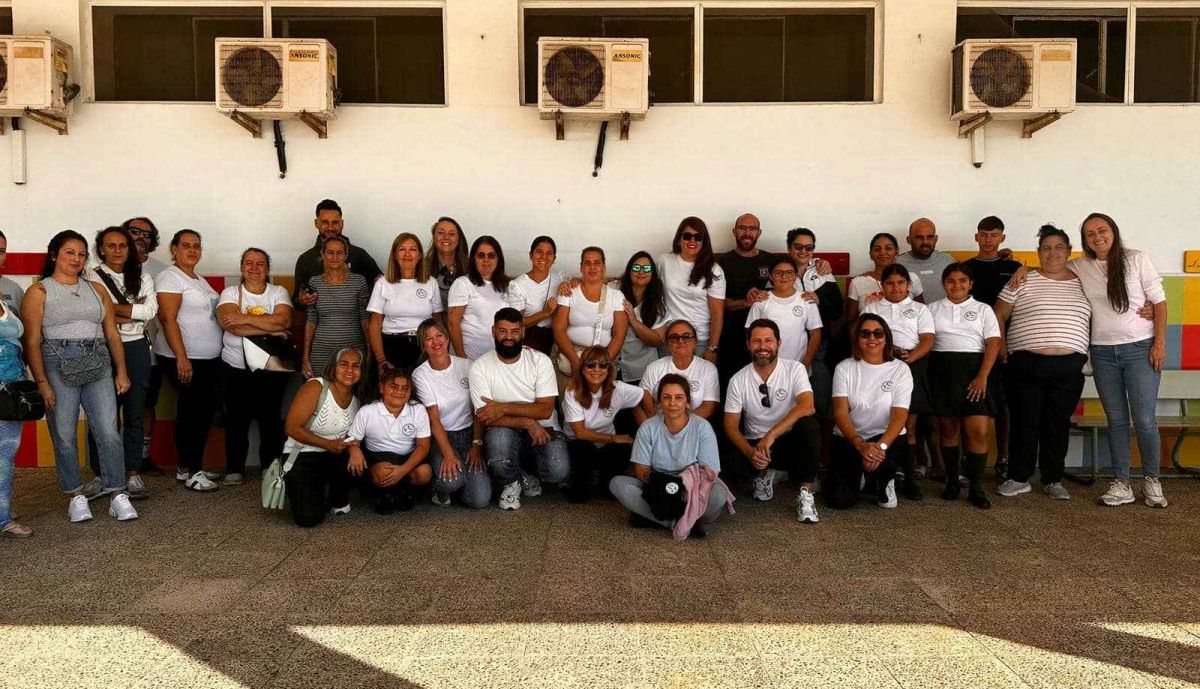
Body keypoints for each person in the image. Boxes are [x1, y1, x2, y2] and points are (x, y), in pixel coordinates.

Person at [21, 230, 137, 523]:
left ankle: (117, 493)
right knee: (64, 432)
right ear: (54, 255)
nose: (76, 259)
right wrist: (42, 382)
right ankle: (75, 494)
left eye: (82, 254)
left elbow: (112, 334)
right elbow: (32, 342)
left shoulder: (96, 289)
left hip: (98, 360)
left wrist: (122, 371)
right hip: (57, 363)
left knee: (108, 430)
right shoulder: (39, 291)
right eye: (69, 252)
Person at [1076, 213, 1168, 508]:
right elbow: (1051, 267)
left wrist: (1159, 344)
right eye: (1090, 234)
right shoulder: (1080, 266)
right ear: (1085, 240)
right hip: (1102, 352)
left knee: (1144, 419)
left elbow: (1160, 303)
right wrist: (1017, 265)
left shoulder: (1136, 259)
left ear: (1113, 231)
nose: (1097, 237)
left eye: (1102, 230)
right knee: (1116, 420)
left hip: (1140, 349)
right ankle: (1121, 484)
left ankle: (1152, 481)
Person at [993, 226, 1090, 501]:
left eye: (1059, 247)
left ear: (1069, 252)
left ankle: (1052, 479)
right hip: (1025, 364)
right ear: (1038, 252)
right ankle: (1019, 477)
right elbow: (998, 314)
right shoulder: (1023, 279)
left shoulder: (1084, 282)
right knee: (1025, 421)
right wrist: (1002, 349)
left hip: (1069, 367)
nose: (1052, 253)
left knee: (1057, 424)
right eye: (1046, 248)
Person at [468, 308, 568, 510]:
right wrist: (527, 421)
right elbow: (485, 416)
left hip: (544, 428)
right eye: (502, 331)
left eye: (514, 331)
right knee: (499, 450)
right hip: (504, 429)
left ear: (523, 332)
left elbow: (545, 410)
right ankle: (511, 481)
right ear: (493, 331)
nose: (509, 337)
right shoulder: (480, 367)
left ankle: (524, 472)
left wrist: (502, 407)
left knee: (557, 471)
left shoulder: (540, 361)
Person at [609, 374, 731, 537]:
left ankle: (654, 517)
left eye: (679, 397)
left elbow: (709, 472)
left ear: (688, 402)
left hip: (690, 489)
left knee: (718, 495)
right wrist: (662, 486)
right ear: (659, 402)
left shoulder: (702, 427)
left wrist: (681, 488)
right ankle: (679, 524)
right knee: (618, 484)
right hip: (658, 485)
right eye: (666, 397)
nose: (672, 403)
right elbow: (640, 470)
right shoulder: (648, 427)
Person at [723, 319, 821, 521]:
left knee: (809, 425)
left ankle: (806, 491)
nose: (763, 346)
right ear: (748, 344)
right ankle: (767, 473)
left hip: (788, 441)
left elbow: (807, 406)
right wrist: (750, 452)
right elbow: (730, 425)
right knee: (733, 465)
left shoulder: (795, 368)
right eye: (756, 341)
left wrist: (771, 435)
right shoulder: (738, 379)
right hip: (757, 445)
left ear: (778, 343)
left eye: (768, 340)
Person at [86, 226, 156, 501]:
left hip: (136, 348)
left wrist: (111, 310)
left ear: (130, 248)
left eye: (122, 245)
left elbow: (149, 311)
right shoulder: (90, 275)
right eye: (111, 245)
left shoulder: (143, 276)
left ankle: (132, 473)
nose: (117, 250)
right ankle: (101, 473)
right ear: (101, 249)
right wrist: (130, 312)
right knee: (102, 416)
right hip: (101, 347)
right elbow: (93, 312)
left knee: (135, 413)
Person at [216, 248, 293, 485]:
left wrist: (244, 317)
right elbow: (230, 325)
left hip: (271, 367)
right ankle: (234, 468)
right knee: (236, 419)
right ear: (241, 267)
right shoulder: (230, 292)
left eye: (260, 264)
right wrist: (271, 329)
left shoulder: (278, 291)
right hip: (235, 367)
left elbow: (284, 320)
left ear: (267, 268)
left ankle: (269, 467)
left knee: (270, 418)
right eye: (249, 263)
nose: (254, 268)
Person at [928, 263, 1002, 510]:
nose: (956, 285)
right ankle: (952, 481)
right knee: (948, 430)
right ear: (943, 284)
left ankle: (977, 488)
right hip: (943, 372)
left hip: (975, 372)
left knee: (977, 431)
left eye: (962, 280)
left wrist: (982, 376)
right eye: (951, 280)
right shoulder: (931, 309)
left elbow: (993, 343)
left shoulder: (983, 309)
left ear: (970, 284)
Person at [155, 229, 223, 492]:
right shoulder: (170, 277)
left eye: (196, 246)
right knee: (195, 413)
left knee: (195, 412)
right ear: (174, 249)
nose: (192, 250)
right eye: (186, 245)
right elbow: (167, 318)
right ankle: (194, 471)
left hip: (205, 359)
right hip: (184, 358)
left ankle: (188, 467)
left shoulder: (197, 279)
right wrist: (181, 357)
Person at [826, 315, 913, 510]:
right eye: (865, 334)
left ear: (886, 338)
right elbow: (840, 413)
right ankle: (864, 477)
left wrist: (879, 449)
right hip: (851, 438)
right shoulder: (844, 368)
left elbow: (899, 416)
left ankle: (884, 479)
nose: (872, 338)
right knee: (839, 501)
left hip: (886, 439)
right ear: (857, 339)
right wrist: (860, 445)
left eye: (878, 333)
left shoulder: (901, 369)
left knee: (885, 499)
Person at [862, 263, 932, 498]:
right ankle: (880, 476)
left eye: (901, 283)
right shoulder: (872, 308)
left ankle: (909, 479)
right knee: (879, 421)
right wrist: (887, 353)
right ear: (882, 285)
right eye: (890, 283)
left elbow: (928, 340)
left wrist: (910, 357)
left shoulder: (920, 309)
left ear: (908, 285)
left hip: (911, 365)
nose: (896, 288)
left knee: (908, 426)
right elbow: (863, 337)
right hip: (878, 366)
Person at [412, 318, 490, 509]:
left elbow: (478, 409)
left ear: (447, 338)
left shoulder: (467, 365)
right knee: (452, 481)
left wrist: (476, 444)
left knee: (480, 500)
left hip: (469, 434)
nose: (435, 341)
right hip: (441, 438)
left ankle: (461, 479)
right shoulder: (420, 374)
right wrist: (448, 454)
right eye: (428, 338)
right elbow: (434, 419)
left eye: (439, 335)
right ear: (423, 345)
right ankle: (440, 486)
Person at [282, 347, 363, 527]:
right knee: (308, 519)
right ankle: (313, 491)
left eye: (356, 366)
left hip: (333, 456)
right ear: (333, 367)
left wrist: (354, 449)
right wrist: (327, 444)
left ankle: (335, 495)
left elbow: (353, 436)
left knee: (361, 458)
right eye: (344, 364)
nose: (350, 370)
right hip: (302, 455)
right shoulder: (316, 386)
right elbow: (292, 428)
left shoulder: (357, 401)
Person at [966, 215, 1022, 480]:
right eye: (984, 234)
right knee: (972, 402)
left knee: (1004, 406)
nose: (988, 239)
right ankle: (969, 457)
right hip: (972, 346)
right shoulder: (965, 268)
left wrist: (1004, 344)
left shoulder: (1014, 268)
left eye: (994, 235)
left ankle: (1004, 458)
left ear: (1002, 237)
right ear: (976, 237)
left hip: (1008, 345)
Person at [562, 345, 651, 503]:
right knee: (578, 496)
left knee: (621, 451)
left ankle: (605, 481)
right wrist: (614, 438)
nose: (597, 369)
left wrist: (653, 423)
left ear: (609, 369)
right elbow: (580, 433)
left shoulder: (618, 388)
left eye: (603, 365)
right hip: (578, 442)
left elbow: (644, 394)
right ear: (582, 368)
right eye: (591, 365)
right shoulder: (572, 391)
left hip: (606, 444)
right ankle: (582, 481)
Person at [346, 367, 433, 514]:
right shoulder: (367, 411)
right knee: (383, 471)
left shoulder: (418, 409)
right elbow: (353, 440)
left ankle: (402, 492)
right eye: (393, 386)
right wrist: (354, 450)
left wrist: (403, 469)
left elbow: (423, 446)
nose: (399, 391)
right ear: (381, 388)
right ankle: (384, 494)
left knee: (424, 473)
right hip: (379, 457)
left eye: (405, 388)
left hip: (407, 457)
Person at [124, 217, 168, 477]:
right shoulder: (104, 268)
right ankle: (113, 460)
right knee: (111, 409)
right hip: (113, 350)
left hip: (151, 352)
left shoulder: (162, 271)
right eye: (135, 231)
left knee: (145, 406)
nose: (141, 237)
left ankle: (141, 458)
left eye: (147, 234)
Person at [367, 232, 443, 374]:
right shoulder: (383, 283)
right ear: (395, 255)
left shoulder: (430, 282)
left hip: (424, 346)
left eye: (412, 249)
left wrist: (439, 352)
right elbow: (375, 323)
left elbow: (438, 320)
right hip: (392, 346)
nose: (407, 254)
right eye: (402, 249)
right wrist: (381, 359)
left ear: (419, 255)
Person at [716, 214, 777, 379]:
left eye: (752, 229)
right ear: (734, 231)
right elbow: (716, 305)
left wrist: (820, 263)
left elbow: (786, 288)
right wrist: (746, 302)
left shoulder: (772, 260)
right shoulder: (722, 262)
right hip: (730, 338)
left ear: (759, 233)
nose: (747, 233)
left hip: (763, 339)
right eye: (742, 228)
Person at [552, 246, 627, 379]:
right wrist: (575, 361)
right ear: (581, 268)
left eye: (597, 263)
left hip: (604, 358)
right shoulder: (568, 293)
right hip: (571, 357)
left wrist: (604, 364)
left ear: (604, 267)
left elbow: (619, 335)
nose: (592, 267)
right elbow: (559, 329)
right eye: (587, 263)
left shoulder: (616, 296)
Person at [292, 199, 382, 308]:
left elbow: (381, 284)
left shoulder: (358, 254)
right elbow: (296, 302)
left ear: (342, 224)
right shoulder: (306, 259)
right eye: (325, 222)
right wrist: (302, 300)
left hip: (356, 317)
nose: (330, 227)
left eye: (335, 222)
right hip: (319, 317)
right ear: (316, 223)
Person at [0, 230, 32, 537]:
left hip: (12, 385)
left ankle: (2, 510)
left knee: (6, 452)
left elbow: (24, 336)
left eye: (1, 250)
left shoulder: (11, 289)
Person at [303, 235, 370, 379]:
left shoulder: (358, 281)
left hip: (352, 353)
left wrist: (370, 353)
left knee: (352, 390)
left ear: (346, 255)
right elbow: (311, 320)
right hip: (321, 352)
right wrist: (305, 357)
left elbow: (365, 320)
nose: (335, 257)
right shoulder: (315, 282)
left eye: (339, 252)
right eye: (330, 252)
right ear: (323, 254)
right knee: (320, 390)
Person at [659, 217, 725, 361]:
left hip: (699, 340)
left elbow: (717, 314)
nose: (692, 241)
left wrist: (712, 347)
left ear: (704, 242)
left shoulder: (714, 270)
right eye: (687, 236)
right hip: (669, 337)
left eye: (698, 237)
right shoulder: (664, 261)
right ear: (679, 239)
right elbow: (645, 283)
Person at [745, 257, 822, 368]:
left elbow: (815, 334)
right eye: (778, 273)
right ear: (770, 276)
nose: (784, 277)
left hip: (798, 366)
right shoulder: (761, 301)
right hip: (766, 366)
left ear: (795, 275)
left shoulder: (806, 299)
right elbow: (750, 333)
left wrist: (805, 364)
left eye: (789, 273)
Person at [640, 320, 720, 420]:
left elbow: (708, 407)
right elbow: (643, 396)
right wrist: (657, 424)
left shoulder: (708, 368)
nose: (681, 341)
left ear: (695, 342)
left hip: (694, 425)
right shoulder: (654, 368)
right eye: (674, 338)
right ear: (667, 344)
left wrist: (680, 424)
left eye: (686, 337)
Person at [448, 236, 512, 360]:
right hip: (468, 357)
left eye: (491, 255)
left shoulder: (506, 285)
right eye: (481, 255)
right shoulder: (463, 283)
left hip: (496, 359)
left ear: (498, 259)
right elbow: (453, 323)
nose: (486, 260)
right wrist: (462, 359)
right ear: (473, 259)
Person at [845, 232, 924, 325]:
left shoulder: (912, 278)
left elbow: (921, 313)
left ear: (897, 252)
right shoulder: (858, 282)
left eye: (888, 248)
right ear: (870, 254)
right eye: (877, 249)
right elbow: (851, 321)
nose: (882, 252)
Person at [617, 251, 667, 386]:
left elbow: (657, 340)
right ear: (629, 270)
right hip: (613, 366)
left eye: (646, 268)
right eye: (636, 267)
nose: (641, 272)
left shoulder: (657, 302)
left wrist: (634, 321)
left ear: (652, 272)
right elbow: (594, 283)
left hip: (642, 369)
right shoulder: (615, 289)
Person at [507, 236, 562, 355]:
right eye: (539, 252)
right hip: (528, 343)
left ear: (554, 259)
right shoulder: (517, 285)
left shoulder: (559, 280)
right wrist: (546, 313)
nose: (544, 257)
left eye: (549, 253)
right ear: (531, 255)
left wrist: (574, 282)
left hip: (553, 341)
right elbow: (517, 323)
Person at [897, 218, 956, 304]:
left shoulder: (948, 261)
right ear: (909, 240)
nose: (925, 242)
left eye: (930, 237)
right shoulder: (897, 264)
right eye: (919, 237)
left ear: (936, 239)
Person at [423, 217, 469, 310]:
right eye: (441, 233)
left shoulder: (471, 267)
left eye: (452, 234)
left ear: (459, 239)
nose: (446, 237)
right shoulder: (421, 267)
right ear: (434, 237)